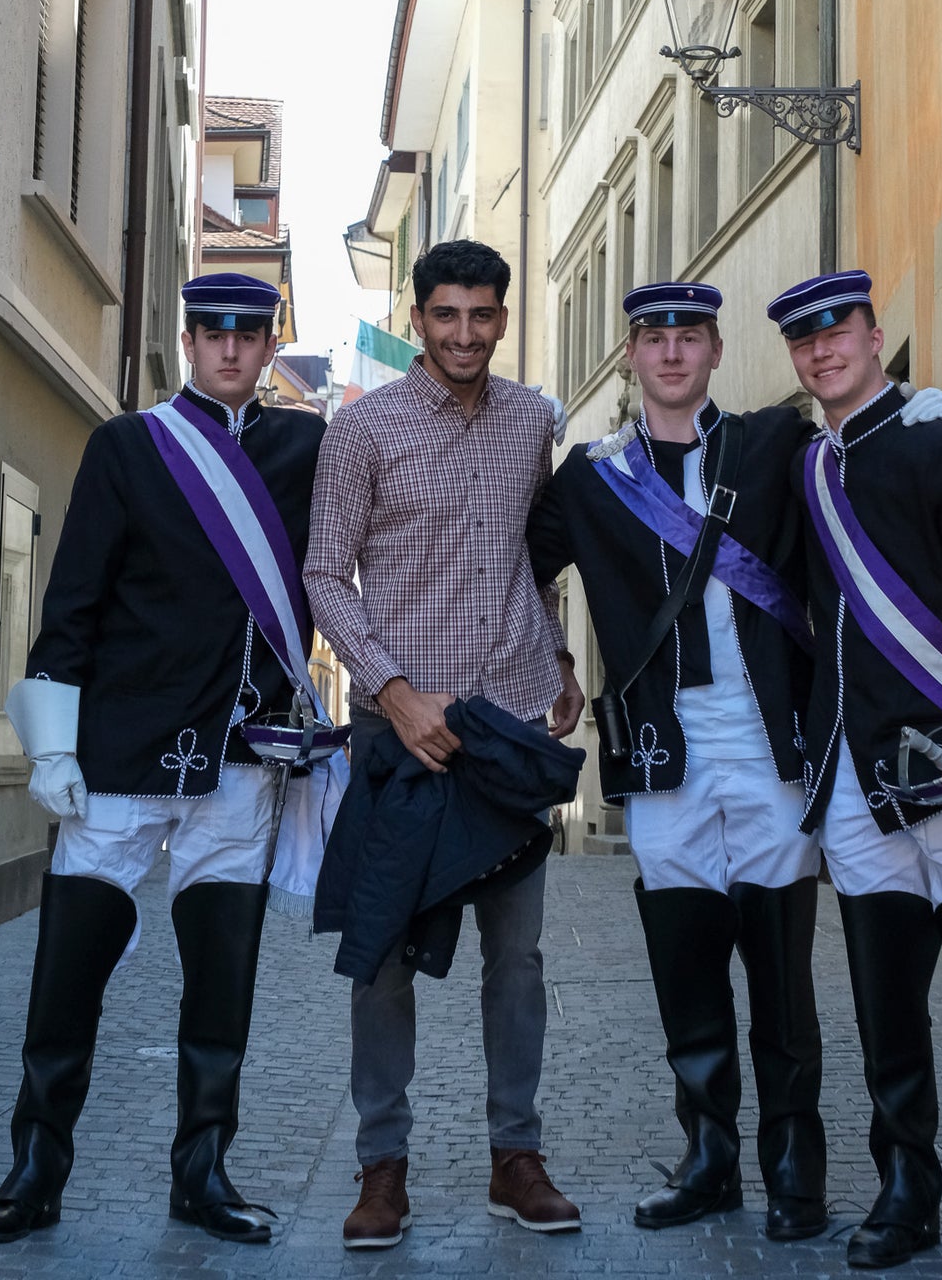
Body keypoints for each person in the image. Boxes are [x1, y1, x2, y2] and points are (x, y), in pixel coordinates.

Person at [0, 274, 344, 1248]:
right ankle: (35, 1168)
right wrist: (52, 745)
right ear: (187, 340)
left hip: (243, 760)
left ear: (271, 347)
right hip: (124, 758)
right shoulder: (128, 447)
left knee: (222, 986)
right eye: (213, 334)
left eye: (250, 336)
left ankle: (203, 1171)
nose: (230, 350)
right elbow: (74, 604)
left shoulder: (309, 449)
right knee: (67, 975)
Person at [527, 281, 829, 1243]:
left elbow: (864, 506)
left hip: (765, 739)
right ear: (629, 356)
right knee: (687, 970)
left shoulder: (775, 446)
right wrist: (559, 662)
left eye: (687, 337)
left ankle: (794, 1167)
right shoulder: (590, 477)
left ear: (713, 350)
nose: (669, 353)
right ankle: (709, 1160)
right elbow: (512, 566)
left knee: (782, 970)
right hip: (661, 750)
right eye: (653, 338)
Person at [304, 238, 585, 1250]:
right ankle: (383, 1168)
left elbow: (525, 559)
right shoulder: (362, 432)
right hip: (403, 738)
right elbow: (327, 575)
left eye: (482, 315)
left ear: (502, 319)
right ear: (418, 319)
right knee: (380, 957)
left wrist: (555, 655)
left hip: (506, 730)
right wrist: (391, 690)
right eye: (446, 315)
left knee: (518, 959)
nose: (465, 333)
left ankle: (517, 1158)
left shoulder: (531, 424)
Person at [768, 268, 942, 1278]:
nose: (823, 351)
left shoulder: (938, 445)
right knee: (889, 1012)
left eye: (838, 332)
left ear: (874, 336)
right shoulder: (808, 469)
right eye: (805, 343)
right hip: (855, 780)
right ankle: (907, 1193)